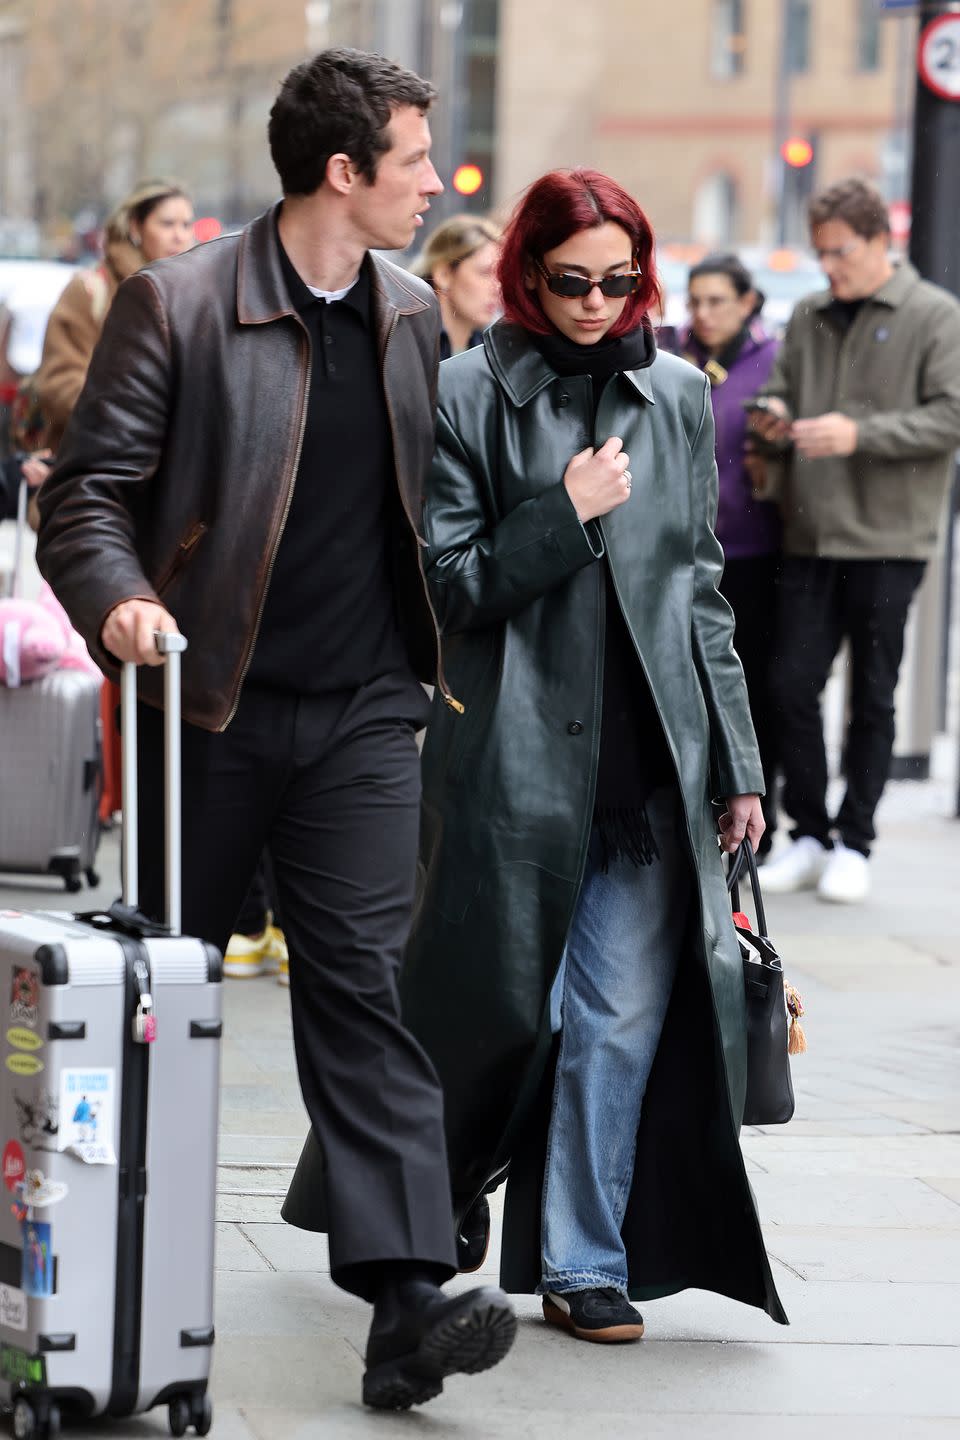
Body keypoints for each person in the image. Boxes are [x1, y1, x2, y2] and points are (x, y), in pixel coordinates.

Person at [37, 46, 516, 1411]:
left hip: (366, 710)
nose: (436, 183)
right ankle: (100, 1290)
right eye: (416, 160)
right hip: (209, 704)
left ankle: (408, 1297)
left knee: (363, 985)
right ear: (342, 171)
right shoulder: (175, 305)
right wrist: (123, 604)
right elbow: (85, 499)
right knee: (161, 994)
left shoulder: (417, 313)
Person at [394, 168, 787, 1340]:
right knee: (507, 1015)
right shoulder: (468, 390)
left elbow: (698, 593)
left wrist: (740, 761)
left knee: (615, 1021)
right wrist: (564, 512)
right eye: (573, 280)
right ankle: (443, 1193)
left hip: (646, 766)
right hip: (512, 766)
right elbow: (448, 583)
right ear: (528, 271)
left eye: (620, 280)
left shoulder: (674, 390)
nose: (597, 301)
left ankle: (581, 1262)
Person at [750, 178, 960, 903]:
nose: (828, 267)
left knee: (872, 696)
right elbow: (779, 385)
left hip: (889, 538)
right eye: (820, 253)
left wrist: (859, 434)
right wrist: (774, 415)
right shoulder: (808, 312)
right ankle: (809, 833)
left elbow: (951, 416)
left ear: (879, 242)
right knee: (787, 687)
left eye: (839, 252)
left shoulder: (935, 315)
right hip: (809, 532)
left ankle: (855, 840)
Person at [680, 253, 781, 854]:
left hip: (751, 548)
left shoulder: (772, 363)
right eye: (695, 300)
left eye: (717, 300)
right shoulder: (675, 356)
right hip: (689, 549)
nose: (703, 313)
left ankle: (759, 819)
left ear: (748, 302)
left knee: (752, 684)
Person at [33, 179, 195, 452]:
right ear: (135, 227)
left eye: (186, 225)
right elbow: (60, 385)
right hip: (96, 464)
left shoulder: (198, 295)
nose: (179, 236)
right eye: (167, 224)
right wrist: (135, 418)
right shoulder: (90, 290)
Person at [413, 213, 501, 357]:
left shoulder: (493, 351)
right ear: (444, 275)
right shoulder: (406, 342)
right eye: (485, 272)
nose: (497, 287)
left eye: (500, 275)